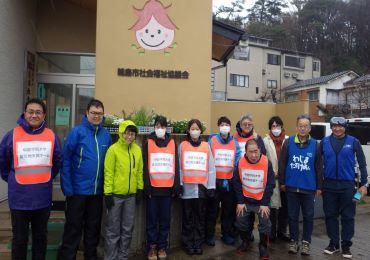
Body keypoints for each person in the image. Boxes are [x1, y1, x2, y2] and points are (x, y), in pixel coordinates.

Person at [0, 98, 62, 259]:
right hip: (19, 199)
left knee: (40, 239)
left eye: (38, 112)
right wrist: (13, 180)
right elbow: (3, 163)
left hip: (42, 199)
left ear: (44, 115)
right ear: (25, 113)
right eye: (31, 112)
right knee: (20, 240)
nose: (34, 115)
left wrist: (45, 178)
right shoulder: (12, 135)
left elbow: (57, 162)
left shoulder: (51, 136)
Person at [60, 99, 112, 260]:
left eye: (99, 114)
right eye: (93, 113)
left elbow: (109, 164)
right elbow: (66, 160)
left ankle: (91, 256)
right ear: (87, 113)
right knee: (73, 228)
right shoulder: (77, 132)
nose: (96, 116)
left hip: (96, 192)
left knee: (93, 228)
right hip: (77, 191)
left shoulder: (106, 135)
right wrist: (67, 188)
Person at [320, 116, 368, 259]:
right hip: (328, 185)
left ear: (345, 127)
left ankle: (346, 245)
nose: (337, 128)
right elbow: (317, 164)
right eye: (334, 126)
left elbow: (362, 164)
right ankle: (333, 243)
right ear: (331, 127)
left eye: (340, 126)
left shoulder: (354, 142)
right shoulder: (324, 142)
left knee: (348, 217)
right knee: (330, 216)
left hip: (347, 186)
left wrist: (364, 185)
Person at [279, 114, 322, 256]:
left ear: (309, 128)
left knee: (308, 216)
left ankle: (306, 243)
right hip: (291, 187)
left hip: (308, 188)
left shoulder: (316, 144)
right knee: (292, 216)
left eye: (306, 126)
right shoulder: (289, 142)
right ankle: (293, 240)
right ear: (296, 127)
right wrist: (283, 182)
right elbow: (283, 163)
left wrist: (319, 187)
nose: (303, 128)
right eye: (300, 126)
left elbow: (318, 167)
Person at [103, 120, 144, 260]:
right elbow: (108, 173)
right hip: (115, 196)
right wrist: (107, 193)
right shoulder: (113, 150)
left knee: (127, 229)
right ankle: (110, 257)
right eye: (127, 133)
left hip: (131, 196)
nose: (129, 136)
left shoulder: (137, 150)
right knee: (113, 230)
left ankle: (123, 256)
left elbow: (139, 171)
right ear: (122, 133)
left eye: (132, 134)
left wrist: (140, 189)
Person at [143, 115, 180, 260]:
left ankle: (162, 246)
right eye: (157, 126)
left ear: (166, 128)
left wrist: (176, 186)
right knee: (152, 220)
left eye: (163, 127)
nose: (160, 129)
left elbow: (176, 166)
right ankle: (152, 248)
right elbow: (145, 167)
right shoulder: (148, 143)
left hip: (168, 190)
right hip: (153, 189)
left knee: (165, 220)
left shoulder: (172, 143)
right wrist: (147, 187)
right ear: (154, 128)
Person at [179, 119, 216, 256]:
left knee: (200, 218)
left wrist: (211, 186)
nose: (194, 131)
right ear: (188, 130)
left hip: (202, 190)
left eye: (197, 128)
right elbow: (179, 167)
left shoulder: (206, 146)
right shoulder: (182, 145)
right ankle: (188, 244)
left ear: (201, 130)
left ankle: (198, 244)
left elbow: (211, 168)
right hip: (187, 190)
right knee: (187, 219)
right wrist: (179, 185)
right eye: (192, 128)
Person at [233, 139, 275, 260]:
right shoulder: (240, 162)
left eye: (256, 151)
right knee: (240, 221)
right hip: (245, 200)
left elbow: (270, 184)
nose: (253, 155)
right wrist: (240, 202)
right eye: (250, 152)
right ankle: (246, 241)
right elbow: (236, 183)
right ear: (245, 152)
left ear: (260, 150)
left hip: (261, 201)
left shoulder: (266, 162)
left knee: (265, 223)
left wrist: (265, 203)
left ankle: (263, 246)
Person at [205, 116, 241, 246]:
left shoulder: (234, 142)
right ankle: (209, 236)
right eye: (222, 124)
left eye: (227, 124)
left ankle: (226, 234)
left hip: (229, 182)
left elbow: (237, 161)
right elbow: (208, 160)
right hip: (214, 182)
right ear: (219, 126)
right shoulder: (212, 141)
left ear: (230, 127)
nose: (224, 126)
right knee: (212, 211)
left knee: (228, 211)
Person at [233, 114, 266, 242]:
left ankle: (250, 234)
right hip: (239, 176)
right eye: (244, 124)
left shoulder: (257, 138)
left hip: (254, 178)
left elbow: (263, 155)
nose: (247, 126)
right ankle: (241, 235)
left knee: (251, 210)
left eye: (249, 124)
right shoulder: (234, 136)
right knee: (240, 209)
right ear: (240, 125)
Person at [263, 116, 290, 242]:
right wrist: (270, 172)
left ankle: (282, 231)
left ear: (282, 127)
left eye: (278, 126)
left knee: (285, 206)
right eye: (273, 126)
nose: (276, 129)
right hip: (272, 178)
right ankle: (272, 232)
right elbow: (263, 158)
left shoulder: (289, 140)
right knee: (273, 207)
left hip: (286, 179)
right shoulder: (265, 141)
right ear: (270, 128)